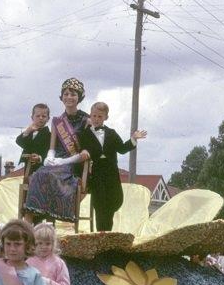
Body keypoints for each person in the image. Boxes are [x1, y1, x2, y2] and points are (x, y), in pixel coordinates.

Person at [23, 77, 91, 224]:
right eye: (66, 94)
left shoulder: (87, 120)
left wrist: (62, 161)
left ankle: (47, 220)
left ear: (79, 97)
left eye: (73, 94)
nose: (69, 97)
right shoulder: (57, 120)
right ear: (62, 97)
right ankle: (30, 218)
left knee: (49, 175)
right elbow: (52, 147)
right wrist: (50, 157)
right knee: (39, 174)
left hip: (73, 164)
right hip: (56, 163)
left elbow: (86, 152)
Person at [76, 101, 147, 232]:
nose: (96, 119)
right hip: (96, 173)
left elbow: (122, 149)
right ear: (90, 115)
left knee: (115, 201)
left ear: (106, 117)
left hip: (112, 173)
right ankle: (102, 234)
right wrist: (83, 150)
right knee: (100, 205)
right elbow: (80, 148)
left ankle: (107, 232)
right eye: (94, 116)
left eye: (100, 116)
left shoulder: (111, 133)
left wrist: (133, 139)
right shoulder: (84, 134)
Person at [15, 103, 52, 169]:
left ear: (48, 118)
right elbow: (19, 141)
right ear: (32, 117)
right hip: (28, 168)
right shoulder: (29, 133)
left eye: (43, 116)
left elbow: (52, 154)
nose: (40, 118)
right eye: (38, 116)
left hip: (43, 168)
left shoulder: (50, 136)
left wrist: (40, 158)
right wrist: (27, 131)